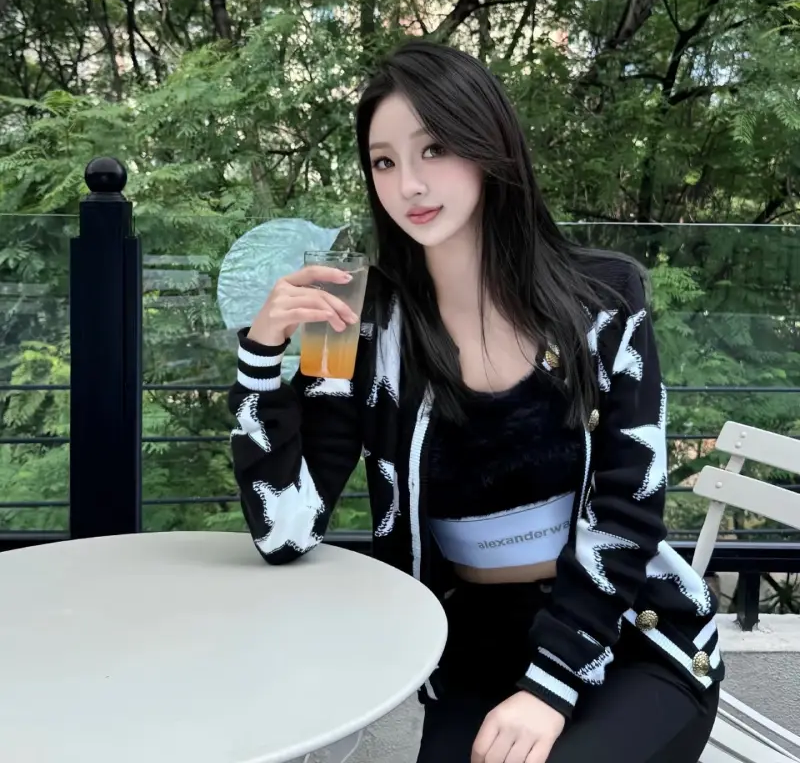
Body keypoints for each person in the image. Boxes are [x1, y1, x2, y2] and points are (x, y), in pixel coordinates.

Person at [227, 39, 723, 763]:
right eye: (384, 162)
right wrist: (261, 360)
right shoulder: (356, 320)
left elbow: (628, 510)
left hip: (626, 632)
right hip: (474, 644)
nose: (409, 184)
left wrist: (551, 687)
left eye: (434, 149)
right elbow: (286, 531)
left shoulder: (603, 299)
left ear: (489, 146)